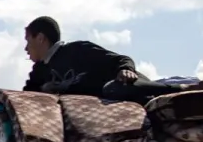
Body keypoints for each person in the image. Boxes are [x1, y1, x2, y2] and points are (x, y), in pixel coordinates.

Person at [22, 15, 177, 103]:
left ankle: (177, 90)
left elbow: (121, 59)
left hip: (125, 87)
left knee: (114, 88)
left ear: (41, 38)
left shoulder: (77, 50)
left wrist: (126, 70)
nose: (26, 48)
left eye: (28, 41)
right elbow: (25, 98)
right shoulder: (39, 73)